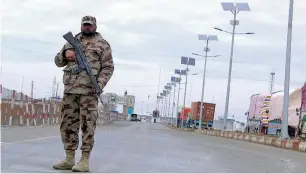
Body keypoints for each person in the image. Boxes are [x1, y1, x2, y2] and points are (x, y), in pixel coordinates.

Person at [53, 15, 114, 172]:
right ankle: (69, 158)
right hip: (70, 91)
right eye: (85, 25)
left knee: (88, 125)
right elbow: (58, 61)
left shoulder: (102, 45)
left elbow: (108, 67)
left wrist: (100, 83)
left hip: (89, 92)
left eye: (90, 25)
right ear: (81, 26)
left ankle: (84, 160)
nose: (87, 27)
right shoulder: (71, 42)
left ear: (95, 26)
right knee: (67, 124)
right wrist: (65, 54)